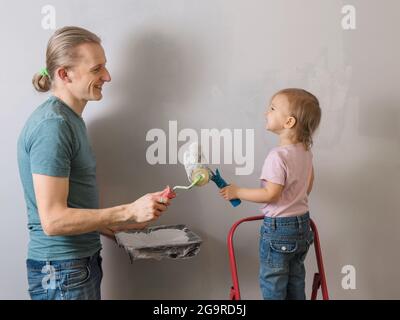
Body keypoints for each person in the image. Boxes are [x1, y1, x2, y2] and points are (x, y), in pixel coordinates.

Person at [17, 26, 175, 300]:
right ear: (64, 74)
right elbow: (53, 220)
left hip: (75, 269)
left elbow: (72, 209)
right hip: (64, 273)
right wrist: (129, 211)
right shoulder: (53, 126)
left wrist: (125, 229)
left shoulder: (69, 120)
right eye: (96, 69)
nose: (108, 76)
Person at [220, 88, 321, 300]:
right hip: (303, 226)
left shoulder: (277, 156)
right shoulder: (305, 152)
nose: (266, 112)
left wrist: (237, 191)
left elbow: (271, 195)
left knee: (273, 282)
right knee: (295, 280)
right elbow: (307, 187)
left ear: (289, 122)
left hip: (279, 229)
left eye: (273, 108)